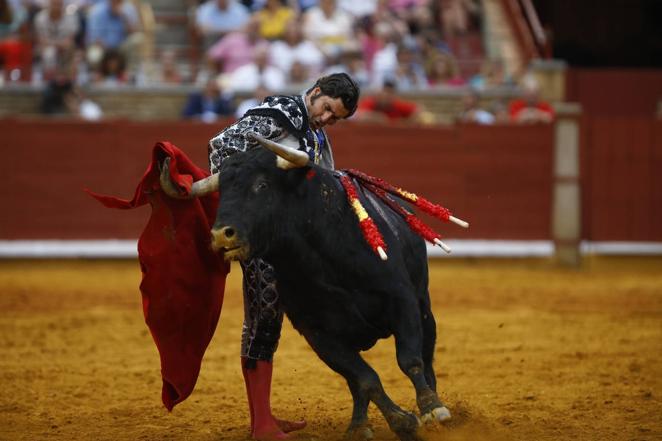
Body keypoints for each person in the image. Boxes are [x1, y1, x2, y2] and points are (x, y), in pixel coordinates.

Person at [207, 72, 360, 441]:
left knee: (275, 320)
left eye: (335, 118)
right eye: (326, 109)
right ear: (317, 92)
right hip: (262, 236)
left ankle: (265, 416)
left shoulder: (314, 134)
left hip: (291, 244)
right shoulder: (281, 112)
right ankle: (261, 425)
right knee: (263, 319)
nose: (327, 119)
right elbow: (221, 148)